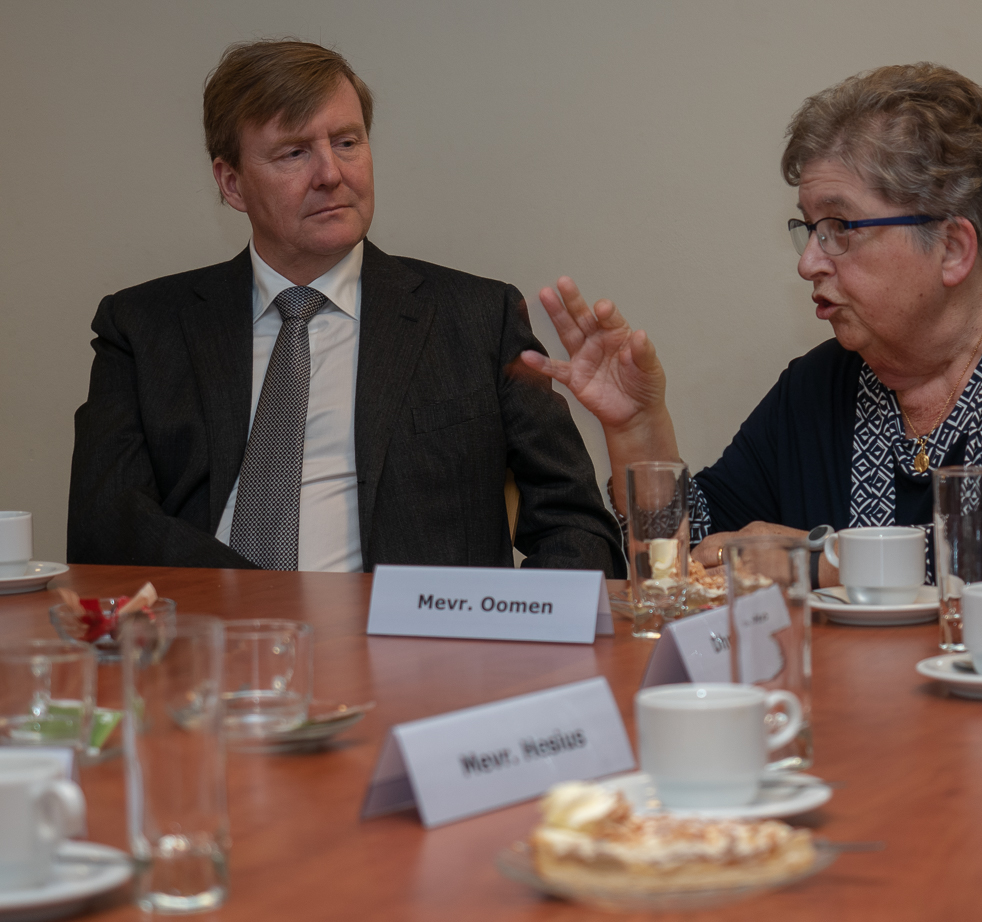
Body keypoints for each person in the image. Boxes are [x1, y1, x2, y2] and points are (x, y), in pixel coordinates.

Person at [523, 63, 982, 592]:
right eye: (808, 228)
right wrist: (638, 427)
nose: (808, 262)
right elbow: (689, 560)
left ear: (953, 247)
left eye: (840, 227)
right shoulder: (822, 384)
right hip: (895, 729)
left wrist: (813, 558)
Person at [67, 40, 622, 575]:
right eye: (294, 152)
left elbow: (574, 524)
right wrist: (256, 604)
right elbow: (106, 526)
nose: (331, 174)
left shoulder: (479, 317)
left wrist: (516, 630)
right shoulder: (142, 328)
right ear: (231, 184)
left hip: (411, 636)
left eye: (347, 142)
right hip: (209, 627)